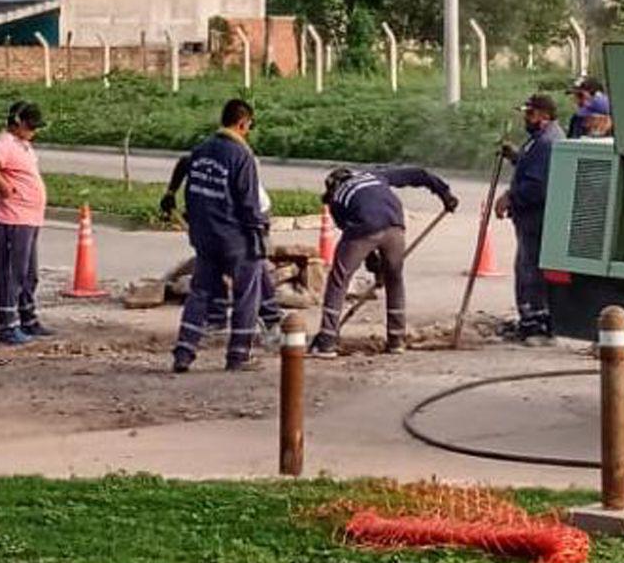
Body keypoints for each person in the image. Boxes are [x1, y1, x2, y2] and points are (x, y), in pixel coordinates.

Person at [308, 166, 458, 358]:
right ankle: (396, 341)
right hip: (394, 225)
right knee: (394, 279)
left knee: (339, 279)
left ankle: (326, 342)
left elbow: (359, 239)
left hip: (365, 228)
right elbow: (419, 174)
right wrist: (444, 193)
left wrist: (374, 265)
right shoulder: (373, 175)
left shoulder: (337, 200)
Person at [171, 99, 269, 373]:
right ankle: (238, 356)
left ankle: (184, 351)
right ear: (243, 123)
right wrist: (259, 232)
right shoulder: (242, 157)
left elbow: (190, 189)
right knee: (247, 295)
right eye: (249, 125)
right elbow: (249, 204)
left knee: (199, 293)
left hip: (204, 236)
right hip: (234, 238)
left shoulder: (202, 150)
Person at [161, 153, 283, 348]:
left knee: (252, 270)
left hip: (252, 219)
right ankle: (217, 317)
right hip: (222, 222)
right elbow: (185, 163)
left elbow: (250, 211)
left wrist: (252, 239)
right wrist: (170, 193)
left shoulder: (241, 176)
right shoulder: (205, 163)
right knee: (214, 263)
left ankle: (270, 319)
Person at [0, 101, 52, 347]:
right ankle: (8, 327)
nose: (34, 132)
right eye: (31, 127)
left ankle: (27, 318)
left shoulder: (23, 144)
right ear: (18, 123)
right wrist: (4, 186)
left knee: (29, 274)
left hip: (29, 218)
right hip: (13, 218)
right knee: (11, 273)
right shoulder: (4, 143)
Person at [494, 94, 564, 344]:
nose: (526, 118)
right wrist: (515, 156)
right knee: (527, 268)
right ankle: (530, 321)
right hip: (531, 218)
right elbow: (531, 167)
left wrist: (510, 197)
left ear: (544, 117)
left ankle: (538, 326)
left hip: (538, 217)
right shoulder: (538, 140)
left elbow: (537, 186)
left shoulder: (547, 142)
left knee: (531, 270)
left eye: (531, 114)